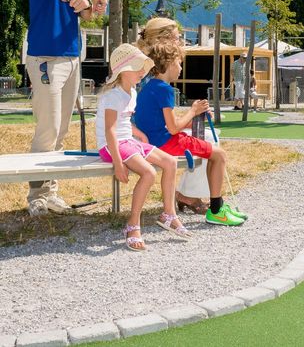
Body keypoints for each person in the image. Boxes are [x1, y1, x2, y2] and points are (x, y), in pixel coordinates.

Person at [26, 0, 108, 216]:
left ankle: (52, 193)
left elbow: (84, 14)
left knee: (61, 131)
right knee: (48, 127)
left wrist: (88, 5)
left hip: (72, 55)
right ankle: (36, 196)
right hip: (46, 55)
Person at [134, 41, 248, 226]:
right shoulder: (165, 89)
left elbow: (166, 124)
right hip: (165, 143)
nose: (180, 68)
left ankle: (216, 207)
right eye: (179, 63)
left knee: (214, 154)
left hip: (155, 141)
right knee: (219, 155)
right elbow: (173, 128)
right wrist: (193, 111)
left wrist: (196, 117)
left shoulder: (149, 87)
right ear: (169, 63)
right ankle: (217, 210)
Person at [96, 43, 191, 251]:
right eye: (137, 68)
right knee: (148, 173)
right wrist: (119, 164)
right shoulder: (113, 96)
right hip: (111, 146)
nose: (142, 72)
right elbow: (110, 131)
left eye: (143, 67)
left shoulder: (132, 93)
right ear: (122, 71)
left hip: (127, 142)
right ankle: (132, 226)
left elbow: (124, 123)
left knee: (170, 162)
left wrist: (138, 134)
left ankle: (168, 214)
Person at [135, 16, 208, 214]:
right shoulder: (149, 70)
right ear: (164, 39)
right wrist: (192, 113)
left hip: (150, 133)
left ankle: (187, 193)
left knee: (204, 136)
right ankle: (188, 195)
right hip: (149, 138)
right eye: (177, 38)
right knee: (207, 140)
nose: (180, 42)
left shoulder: (149, 66)